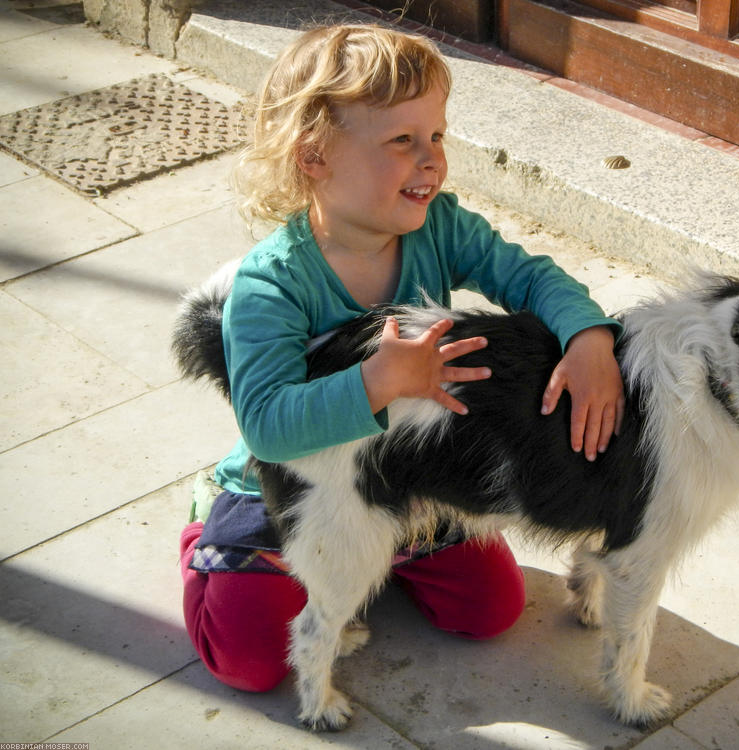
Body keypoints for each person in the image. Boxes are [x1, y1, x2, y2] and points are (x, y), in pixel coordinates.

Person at [179, 23, 625, 693]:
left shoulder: (440, 225)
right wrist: (376, 382)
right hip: (297, 487)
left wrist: (588, 335)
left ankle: (366, 564)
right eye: (402, 141)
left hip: (408, 479)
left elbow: (529, 277)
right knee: (247, 659)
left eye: (437, 136)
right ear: (314, 159)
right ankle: (204, 543)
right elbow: (268, 426)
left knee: (491, 610)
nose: (432, 161)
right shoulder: (272, 283)